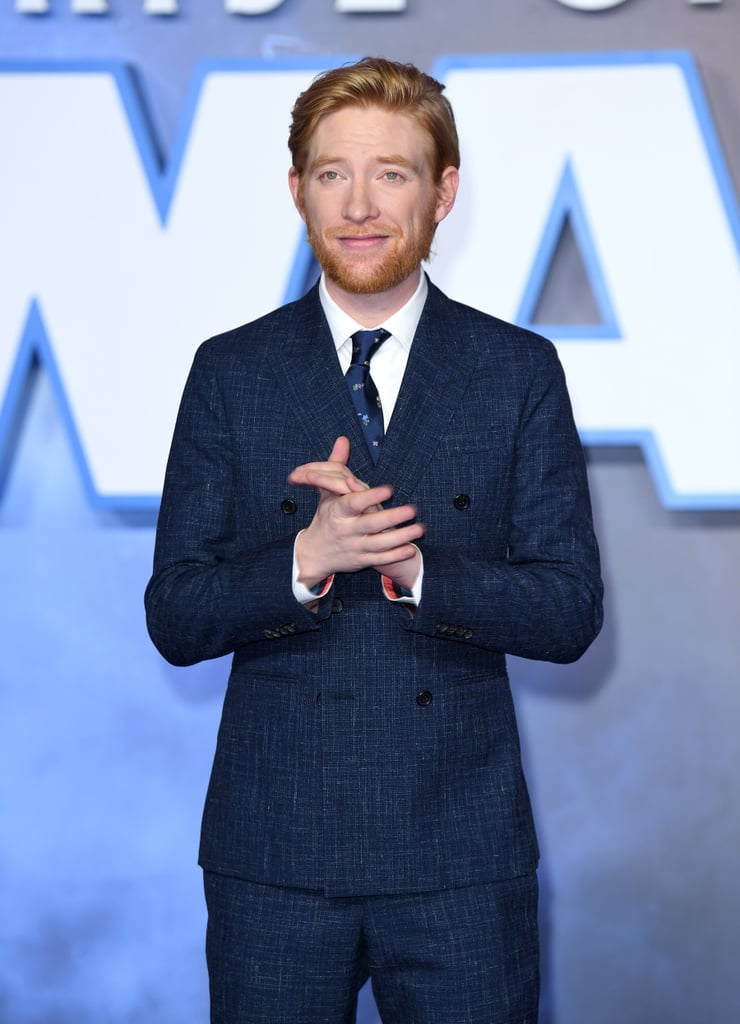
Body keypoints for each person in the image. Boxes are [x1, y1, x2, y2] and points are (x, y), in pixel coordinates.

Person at [145, 56, 603, 1024]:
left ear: (441, 192)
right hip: (271, 854)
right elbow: (176, 614)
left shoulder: (514, 370)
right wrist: (304, 561)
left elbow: (565, 611)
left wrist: (415, 567)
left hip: (460, 857)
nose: (357, 204)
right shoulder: (230, 370)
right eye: (329, 173)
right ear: (295, 189)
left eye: (390, 172)